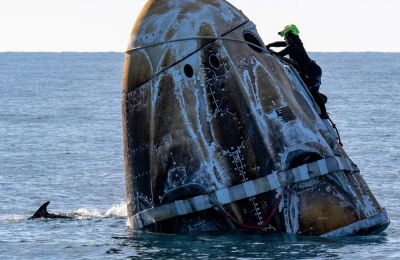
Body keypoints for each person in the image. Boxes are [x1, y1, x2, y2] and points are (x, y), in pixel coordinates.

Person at [266, 24, 329, 119]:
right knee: (309, 90)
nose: (285, 39)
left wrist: (269, 50)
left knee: (313, 92)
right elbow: (282, 44)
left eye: (286, 36)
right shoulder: (294, 43)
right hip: (308, 72)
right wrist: (270, 45)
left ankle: (324, 113)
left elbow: (279, 55)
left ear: (290, 36)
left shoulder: (294, 46)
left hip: (314, 71)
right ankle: (323, 98)